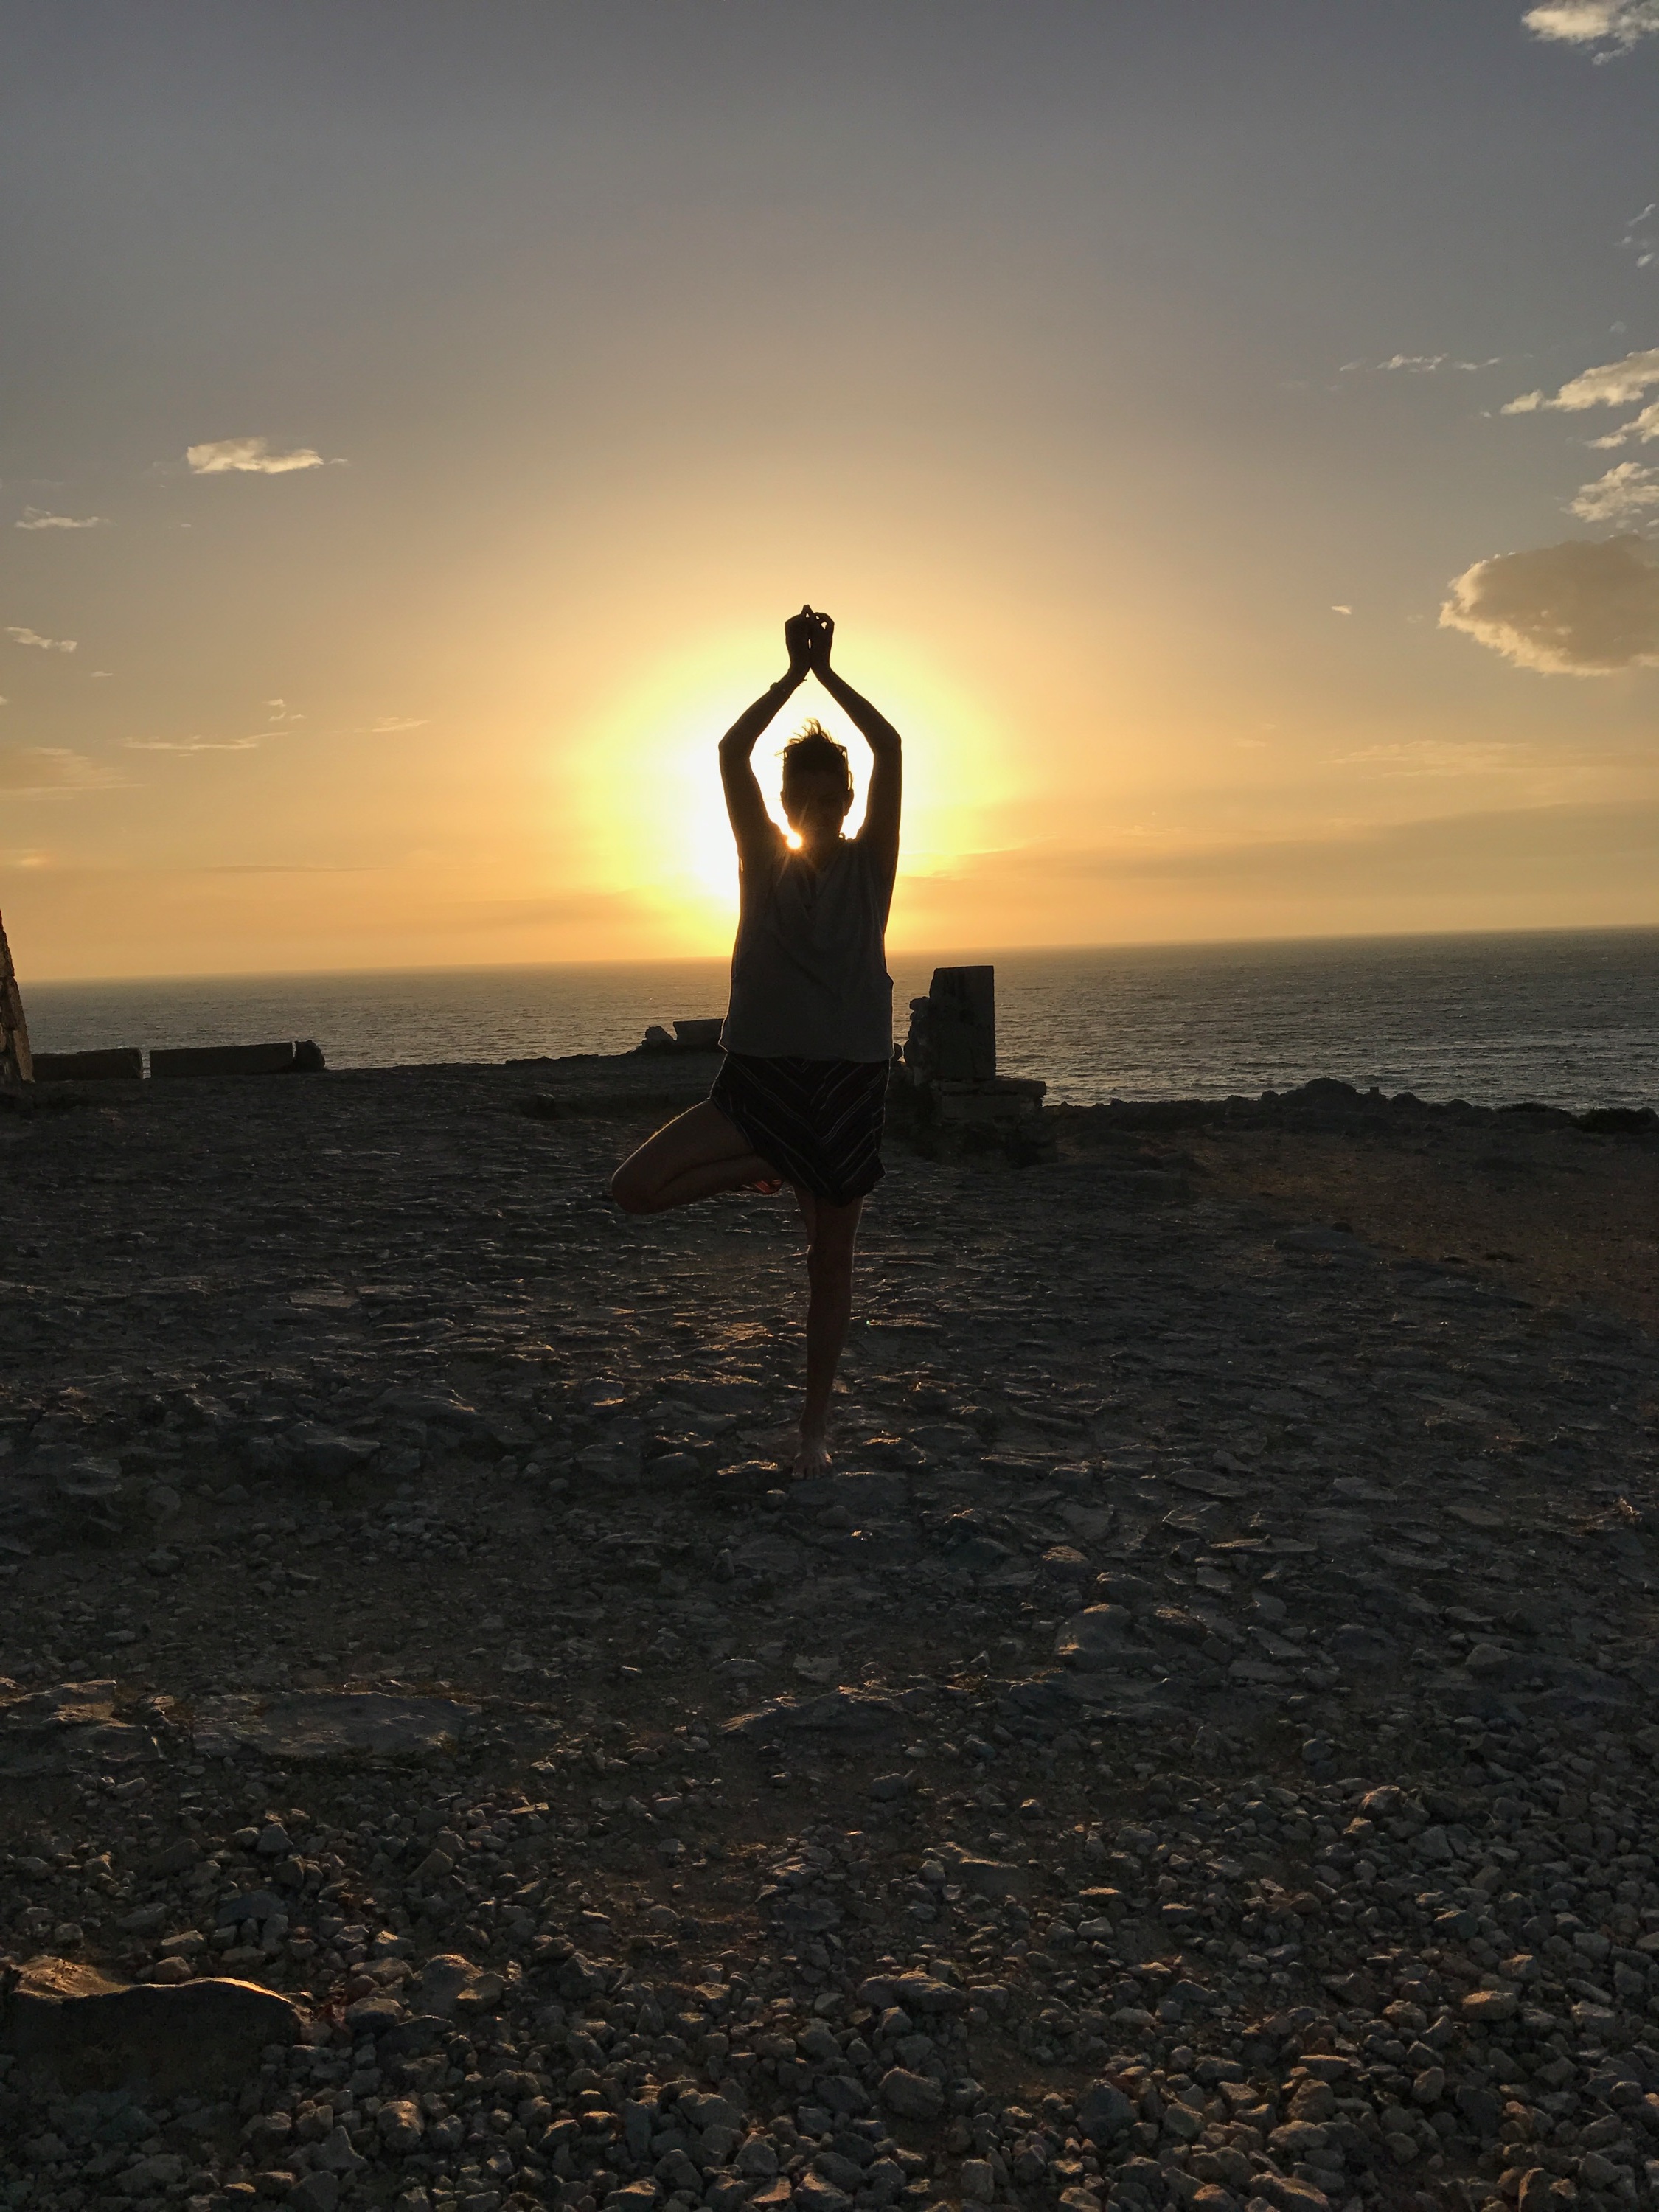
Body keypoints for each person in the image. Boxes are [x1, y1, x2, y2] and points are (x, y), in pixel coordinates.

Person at [611, 605, 902, 1477]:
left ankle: (813, 1433)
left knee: (829, 1265)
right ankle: (771, 1160)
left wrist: (830, 674)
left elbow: (889, 746)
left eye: (830, 797)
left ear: (848, 802)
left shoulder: (871, 865)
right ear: (783, 804)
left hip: (847, 1085)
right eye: (801, 797)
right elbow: (732, 751)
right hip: (758, 1081)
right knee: (633, 1190)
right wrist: (791, 676)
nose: (816, 808)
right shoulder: (759, 858)